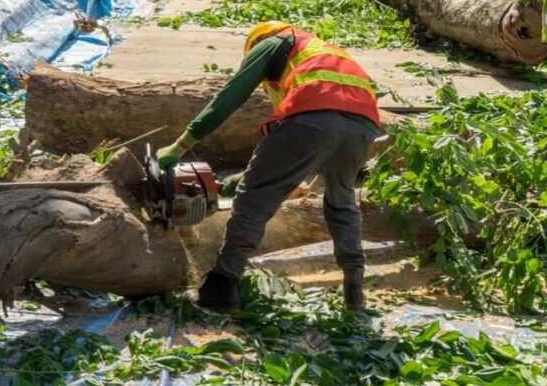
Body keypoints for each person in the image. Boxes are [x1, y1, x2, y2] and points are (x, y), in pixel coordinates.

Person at [156, 22, 381, 311]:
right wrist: (237, 178)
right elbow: (316, 143)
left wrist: (179, 146)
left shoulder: (274, 42)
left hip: (311, 114)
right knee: (342, 201)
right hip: (362, 126)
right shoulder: (327, 53)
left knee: (253, 200)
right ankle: (354, 291)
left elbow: (229, 98)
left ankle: (221, 286)